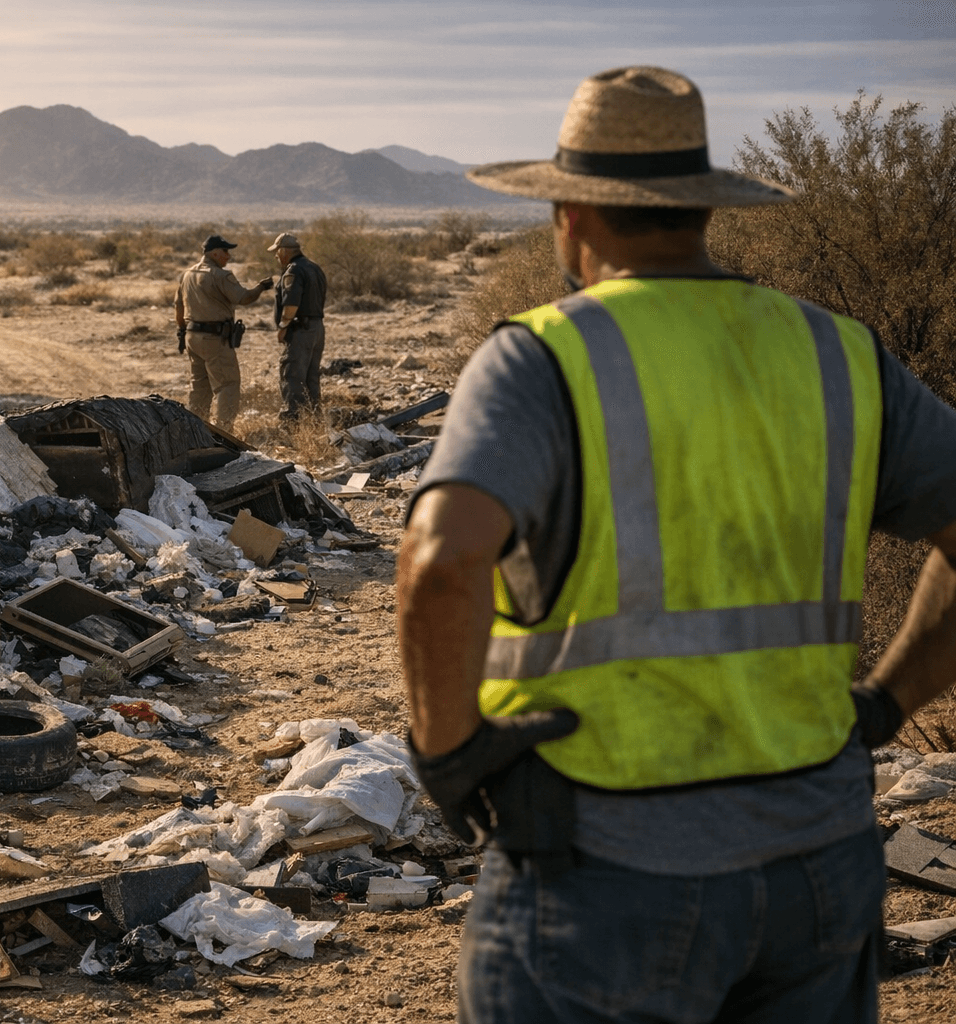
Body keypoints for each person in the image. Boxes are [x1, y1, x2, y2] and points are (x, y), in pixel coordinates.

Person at [397, 65, 956, 1023]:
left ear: (570, 213)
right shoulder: (837, 353)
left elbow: (443, 562)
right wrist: (889, 700)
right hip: (818, 862)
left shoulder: (542, 358)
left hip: (604, 866)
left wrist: (447, 753)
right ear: (701, 209)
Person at [173, 234, 273, 432]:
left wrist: (182, 332)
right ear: (215, 253)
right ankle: (224, 432)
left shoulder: (187, 274)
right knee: (227, 384)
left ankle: (194, 432)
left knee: (199, 388)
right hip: (215, 338)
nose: (228, 256)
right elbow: (243, 298)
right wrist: (261, 287)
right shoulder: (220, 275)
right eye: (226, 252)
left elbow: (178, 307)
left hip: (192, 336)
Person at [268, 232, 328, 421]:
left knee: (292, 376)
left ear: (284, 250)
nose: (276, 256)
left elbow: (291, 304)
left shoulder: (293, 270)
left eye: (277, 251)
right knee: (311, 378)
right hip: (317, 329)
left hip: (300, 330)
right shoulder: (314, 268)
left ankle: (292, 422)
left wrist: (283, 326)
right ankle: (313, 419)